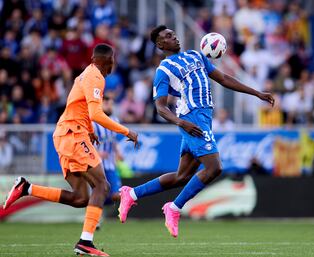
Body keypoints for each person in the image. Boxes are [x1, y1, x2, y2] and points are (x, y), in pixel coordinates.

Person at [118, 25, 274, 238]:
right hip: (191, 119)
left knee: (182, 176)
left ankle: (132, 193)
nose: (174, 37)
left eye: (173, 33)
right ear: (160, 44)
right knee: (214, 168)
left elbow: (224, 79)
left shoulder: (195, 56)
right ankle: (174, 208)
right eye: (168, 36)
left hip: (202, 118)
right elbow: (160, 107)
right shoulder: (164, 69)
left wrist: (257, 93)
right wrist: (182, 123)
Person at [3, 44, 139, 257]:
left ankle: (26, 188)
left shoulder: (84, 75)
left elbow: (76, 106)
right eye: (113, 59)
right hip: (72, 134)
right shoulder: (96, 77)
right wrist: (126, 131)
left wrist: (90, 130)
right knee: (102, 185)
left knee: (80, 198)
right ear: (106, 60)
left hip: (68, 133)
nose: (114, 63)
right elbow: (96, 113)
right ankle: (86, 241)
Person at [93, 94, 122, 203]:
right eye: (106, 104)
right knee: (99, 191)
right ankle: (95, 215)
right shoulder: (93, 122)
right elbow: (87, 142)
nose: (110, 107)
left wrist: (118, 152)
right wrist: (97, 153)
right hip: (97, 164)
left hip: (110, 163)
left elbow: (113, 140)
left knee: (116, 193)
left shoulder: (115, 120)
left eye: (111, 104)